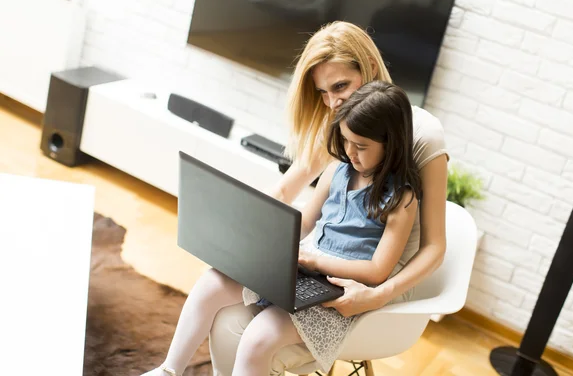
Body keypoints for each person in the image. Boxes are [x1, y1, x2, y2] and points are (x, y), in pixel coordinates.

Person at [208, 20, 449, 375]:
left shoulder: (422, 134)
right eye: (323, 92)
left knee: (254, 334)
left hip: (376, 283)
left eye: (341, 86)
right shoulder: (347, 129)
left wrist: (377, 294)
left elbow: (435, 247)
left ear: (368, 67)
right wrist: (247, 238)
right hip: (328, 264)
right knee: (221, 302)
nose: (333, 102)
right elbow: (286, 190)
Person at [143, 80, 421, 376]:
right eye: (346, 141)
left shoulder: (401, 199)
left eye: (361, 146)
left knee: (256, 338)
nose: (350, 152)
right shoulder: (337, 169)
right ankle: (169, 371)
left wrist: (316, 261)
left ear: (390, 144)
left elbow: (378, 270)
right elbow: (304, 222)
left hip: (337, 294)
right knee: (213, 281)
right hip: (304, 270)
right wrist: (266, 241)